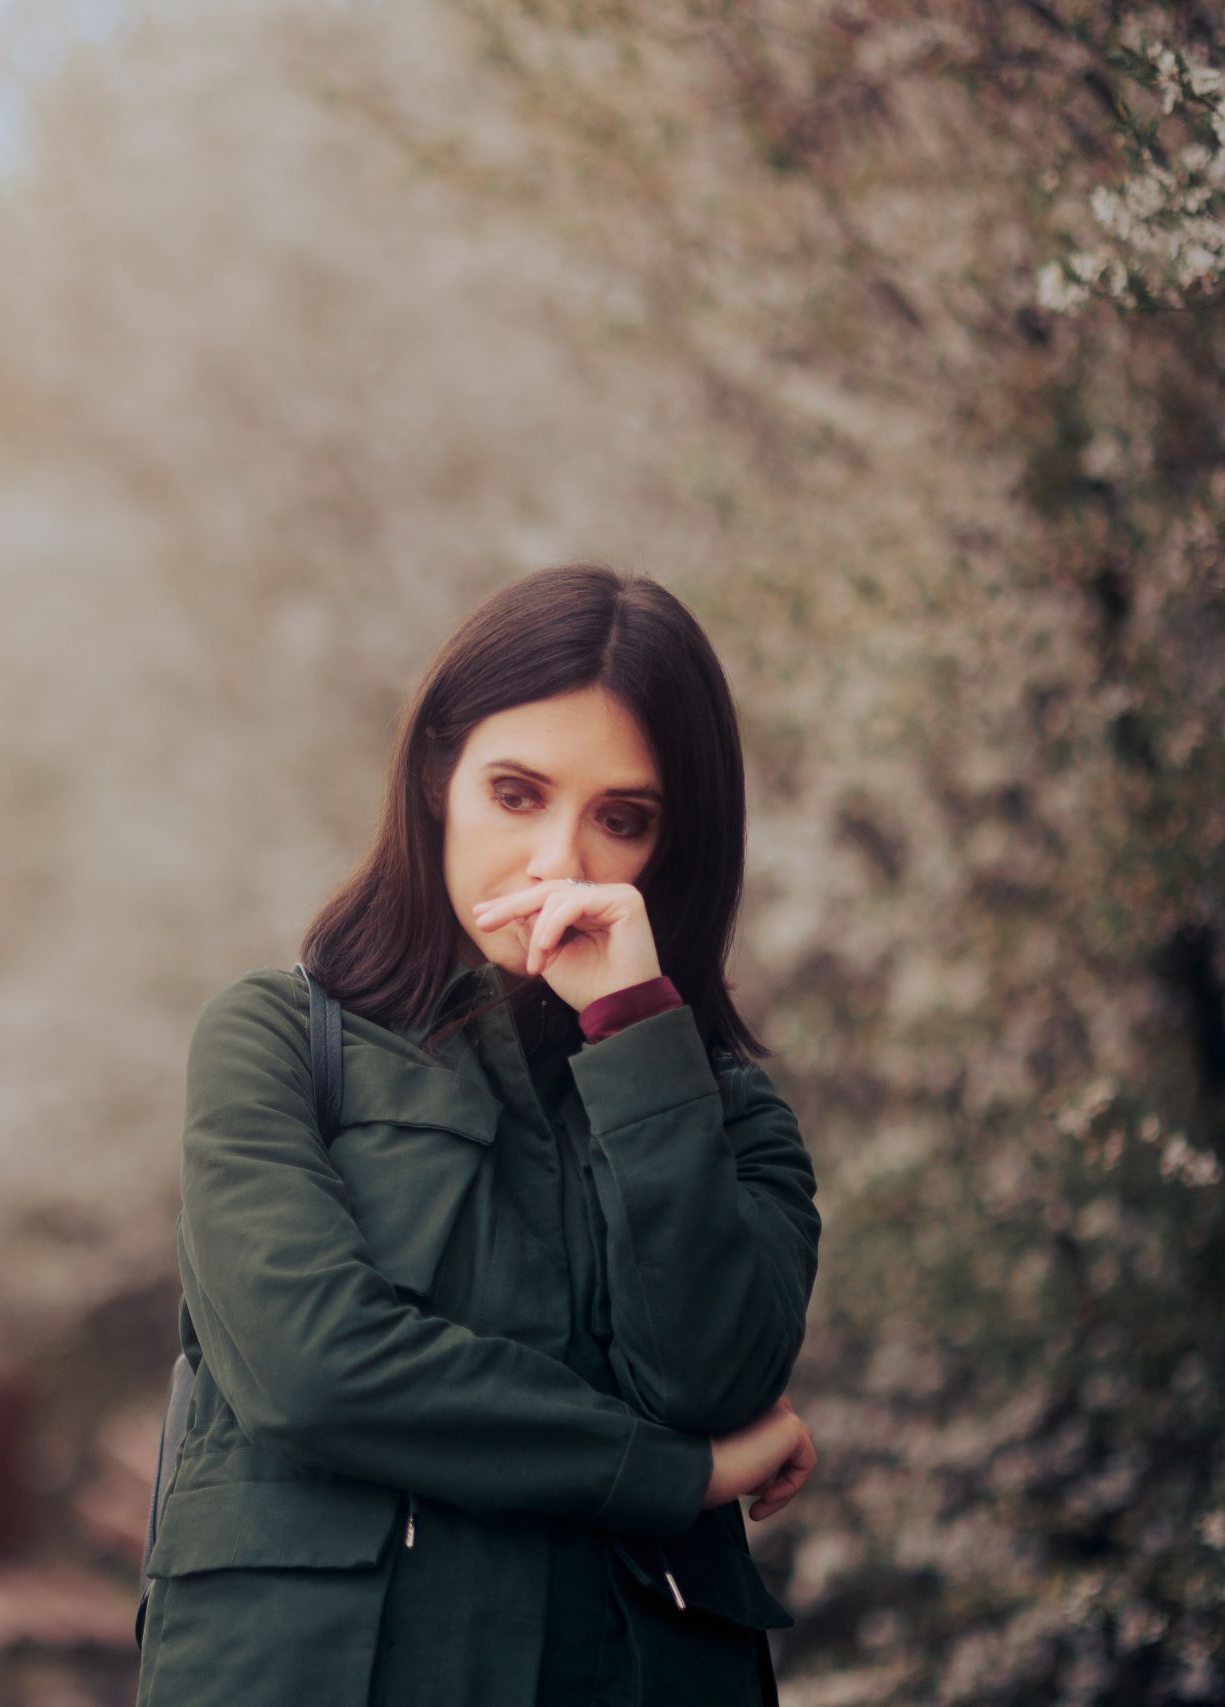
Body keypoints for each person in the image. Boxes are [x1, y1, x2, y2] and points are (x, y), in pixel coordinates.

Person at [134, 564, 823, 1707]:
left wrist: (637, 1035)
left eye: (623, 819)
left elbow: (711, 1376)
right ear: (434, 779)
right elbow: (315, 1371)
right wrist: (674, 1474)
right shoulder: (270, 1043)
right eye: (517, 794)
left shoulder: (730, 1119)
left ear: (677, 849)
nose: (561, 861)